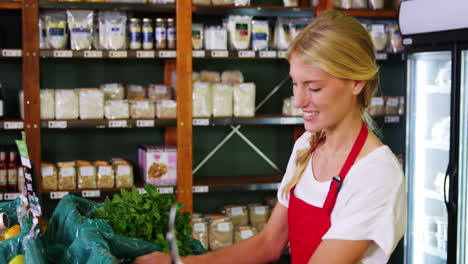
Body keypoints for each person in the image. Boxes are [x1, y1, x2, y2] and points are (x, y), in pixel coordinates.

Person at [135, 10, 406, 264]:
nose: (298, 101)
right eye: (295, 84)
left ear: (356, 83)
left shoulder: (375, 174)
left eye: (314, 87)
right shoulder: (307, 146)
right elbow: (269, 243)